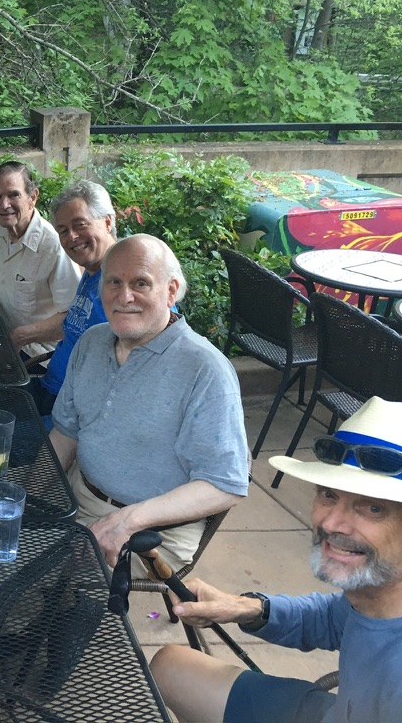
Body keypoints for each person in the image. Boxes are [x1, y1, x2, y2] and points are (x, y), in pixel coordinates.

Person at [150, 396, 402, 723]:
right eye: (329, 494)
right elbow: (338, 617)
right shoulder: (386, 589)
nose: (331, 523)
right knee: (169, 666)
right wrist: (244, 608)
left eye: (372, 508)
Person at [49, 234, 249, 573]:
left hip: (154, 534)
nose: (124, 296)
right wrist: (24, 490)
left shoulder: (204, 369)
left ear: (171, 291)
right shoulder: (92, 341)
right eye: (114, 282)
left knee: (50, 584)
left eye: (141, 283)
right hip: (78, 495)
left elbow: (224, 484)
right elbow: (66, 433)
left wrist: (127, 520)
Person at [29, 178, 118, 416]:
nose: (72, 237)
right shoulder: (92, 271)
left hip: (74, 409)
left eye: (80, 225)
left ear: (107, 222)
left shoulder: (120, 281)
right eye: (63, 231)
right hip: (51, 387)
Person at [0, 161, 81, 361]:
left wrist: (20, 337)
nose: (4, 205)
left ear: (33, 197)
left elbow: (73, 317)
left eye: (13, 195)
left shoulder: (53, 245)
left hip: (38, 356)